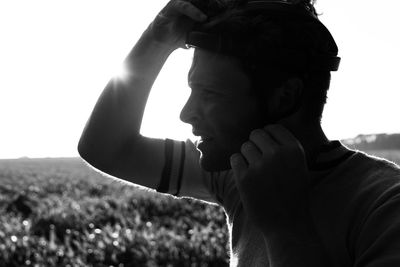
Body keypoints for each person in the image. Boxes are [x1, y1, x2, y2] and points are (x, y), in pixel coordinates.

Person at [78, 0, 400, 266]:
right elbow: (107, 148)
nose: (186, 113)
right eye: (192, 89)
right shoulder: (236, 171)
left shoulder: (386, 206)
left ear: (285, 97)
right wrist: (156, 40)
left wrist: (285, 226)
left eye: (210, 94)